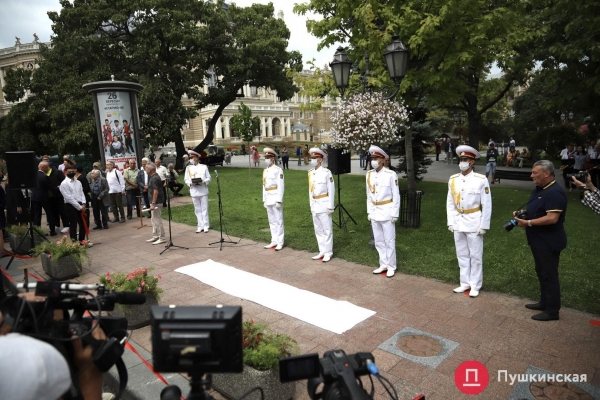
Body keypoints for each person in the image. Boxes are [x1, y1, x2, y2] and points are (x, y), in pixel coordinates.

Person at [513, 160, 567, 321]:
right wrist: (524, 213)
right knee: (541, 271)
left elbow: (552, 218)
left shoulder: (554, 192)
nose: (531, 176)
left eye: (535, 173)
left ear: (547, 173)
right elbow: (539, 210)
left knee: (549, 274)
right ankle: (544, 302)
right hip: (537, 239)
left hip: (549, 241)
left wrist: (528, 222)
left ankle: (552, 311)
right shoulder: (541, 189)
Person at [446, 145, 492, 298]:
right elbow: (450, 202)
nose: (462, 162)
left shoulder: (480, 180)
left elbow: (487, 204)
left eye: (465, 159)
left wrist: (484, 225)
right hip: (458, 221)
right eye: (461, 159)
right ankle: (464, 282)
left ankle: (475, 284)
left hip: (473, 221)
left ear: (472, 162)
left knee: (475, 255)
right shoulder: (453, 179)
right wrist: (450, 221)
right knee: (461, 254)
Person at [367, 145, 401, 278]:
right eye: (372, 158)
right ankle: (383, 264)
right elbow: (369, 195)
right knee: (379, 241)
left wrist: (394, 213)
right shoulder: (369, 175)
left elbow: (396, 195)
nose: (373, 161)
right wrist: (369, 212)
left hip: (387, 211)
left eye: (376, 158)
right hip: (375, 212)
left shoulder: (390, 175)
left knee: (389, 241)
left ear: (382, 160)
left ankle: (391, 266)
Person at [307, 148, 335, 262]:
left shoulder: (326, 173)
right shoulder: (310, 172)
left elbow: (331, 190)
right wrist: (311, 204)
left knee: (327, 229)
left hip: (324, 204)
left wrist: (330, 206)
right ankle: (322, 250)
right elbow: (310, 190)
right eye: (312, 158)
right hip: (315, 204)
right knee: (318, 229)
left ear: (320, 159)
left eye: (315, 158)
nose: (312, 159)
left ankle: (328, 252)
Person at [262, 147, 285, 250]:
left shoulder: (278, 170)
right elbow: (264, 186)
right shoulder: (265, 171)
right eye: (265, 157)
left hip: (275, 197)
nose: (266, 159)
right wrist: (264, 199)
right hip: (268, 197)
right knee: (271, 221)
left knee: (278, 220)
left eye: (268, 157)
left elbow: (281, 185)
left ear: (272, 158)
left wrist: (279, 200)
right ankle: (274, 240)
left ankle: (280, 242)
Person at [184, 150, 212, 233]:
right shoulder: (188, 168)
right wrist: (190, 183)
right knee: (197, 209)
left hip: (202, 190)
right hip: (194, 190)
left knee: (204, 208)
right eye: (190, 157)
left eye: (192, 157)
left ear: (197, 157)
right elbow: (186, 179)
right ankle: (200, 225)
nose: (191, 159)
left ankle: (206, 225)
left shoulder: (204, 167)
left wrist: (204, 181)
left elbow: (209, 178)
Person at [59, 164, 87, 243]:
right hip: (70, 206)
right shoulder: (64, 183)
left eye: (73, 171)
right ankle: (74, 242)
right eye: (69, 172)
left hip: (80, 204)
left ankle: (82, 240)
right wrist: (79, 207)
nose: (71, 173)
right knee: (73, 225)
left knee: (83, 224)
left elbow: (81, 193)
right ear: (65, 172)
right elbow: (69, 197)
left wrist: (83, 203)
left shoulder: (78, 182)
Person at [145, 162, 166, 245]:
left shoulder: (154, 178)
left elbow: (156, 191)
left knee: (157, 220)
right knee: (153, 219)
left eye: (146, 168)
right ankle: (156, 235)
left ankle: (162, 237)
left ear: (149, 169)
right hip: (154, 201)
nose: (145, 169)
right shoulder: (154, 177)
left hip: (156, 202)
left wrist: (153, 203)